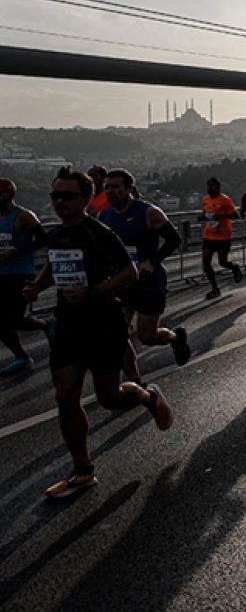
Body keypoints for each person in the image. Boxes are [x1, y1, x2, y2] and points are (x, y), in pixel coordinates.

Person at [23, 166, 173, 499]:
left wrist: (95, 291)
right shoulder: (58, 234)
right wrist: (38, 286)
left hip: (104, 323)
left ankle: (149, 396)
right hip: (69, 324)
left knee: (109, 398)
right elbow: (55, 262)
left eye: (68, 196)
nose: (60, 202)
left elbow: (130, 273)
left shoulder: (99, 233)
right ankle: (82, 470)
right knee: (65, 394)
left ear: (86, 198)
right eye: (55, 196)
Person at [98, 169, 191, 382]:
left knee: (147, 337)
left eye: (115, 187)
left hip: (148, 282)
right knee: (117, 334)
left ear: (129, 189)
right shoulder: (105, 216)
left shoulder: (148, 212)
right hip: (122, 283)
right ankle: (134, 378)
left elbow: (174, 239)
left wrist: (152, 261)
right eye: (107, 188)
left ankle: (176, 338)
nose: (110, 192)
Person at [0, 178, 51, 376]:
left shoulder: (23, 216)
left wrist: (16, 251)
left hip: (20, 273)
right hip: (1, 273)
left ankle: (46, 323)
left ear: (8, 195)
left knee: (13, 319)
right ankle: (21, 357)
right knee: (1, 321)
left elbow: (43, 239)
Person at [199, 177, 241, 299]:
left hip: (223, 236)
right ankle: (215, 289)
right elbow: (205, 213)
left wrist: (222, 215)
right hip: (209, 235)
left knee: (222, 262)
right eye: (208, 185)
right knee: (206, 262)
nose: (209, 188)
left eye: (212, 185)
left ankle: (234, 267)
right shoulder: (205, 200)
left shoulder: (225, 200)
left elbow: (235, 215)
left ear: (218, 187)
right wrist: (201, 217)